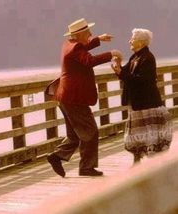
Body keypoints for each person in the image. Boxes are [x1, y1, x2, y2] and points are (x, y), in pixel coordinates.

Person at [46, 18, 122, 177]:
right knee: (91, 131)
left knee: (75, 135)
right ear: (79, 34)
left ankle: (57, 156)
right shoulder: (75, 49)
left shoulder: (69, 45)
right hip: (73, 98)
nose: (91, 34)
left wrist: (98, 39)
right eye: (88, 32)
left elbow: (83, 47)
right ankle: (86, 168)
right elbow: (89, 60)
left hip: (66, 96)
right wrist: (111, 54)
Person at [111, 28, 173, 164]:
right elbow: (126, 74)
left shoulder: (148, 58)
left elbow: (142, 79)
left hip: (147, 102)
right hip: (136, 101)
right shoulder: (135, 56)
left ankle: (153, 160)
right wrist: (118, 66)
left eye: (132, 39)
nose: (129, 41)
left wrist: (121, 73)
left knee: (148, 132)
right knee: (135, 132)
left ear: (141, 42)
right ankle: (137, 158)